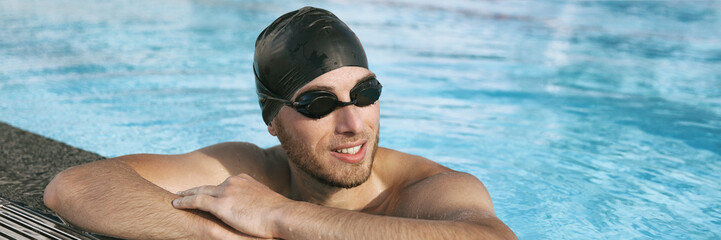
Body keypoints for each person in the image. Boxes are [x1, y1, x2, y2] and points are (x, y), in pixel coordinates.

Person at [44, 7, 516, 239]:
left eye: (366, 94)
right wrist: (220, 233)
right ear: (273, 120)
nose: (353, 122)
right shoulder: (248, 171)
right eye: (317, 104)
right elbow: (77, 187)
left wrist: (279, 216)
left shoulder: (424, 192)